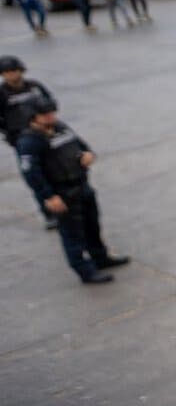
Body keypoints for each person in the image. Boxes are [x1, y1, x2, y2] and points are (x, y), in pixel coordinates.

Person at [16, 94, 130, 284]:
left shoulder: (61, 128)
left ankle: (100, 257)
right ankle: (85, 271)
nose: (51, 116)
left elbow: (81, 145)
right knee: (72, 234)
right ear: (33, 116)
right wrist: (48, 196)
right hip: (62, 193)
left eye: (52, 112)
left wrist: (87, 154)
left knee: (92, 225)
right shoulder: (29, 141)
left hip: (81, 185)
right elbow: (31, 172)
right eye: (45, 114)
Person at [1, 56, 58, 228]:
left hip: (45, 134)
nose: (11, 75)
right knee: (35, 175)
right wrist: (11, 134)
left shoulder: (34, 87)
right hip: (23, 139)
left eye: (13, 71)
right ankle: (49, 213)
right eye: (6, 72)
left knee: (56, 170)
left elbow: (50, 103)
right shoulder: (2, 94)